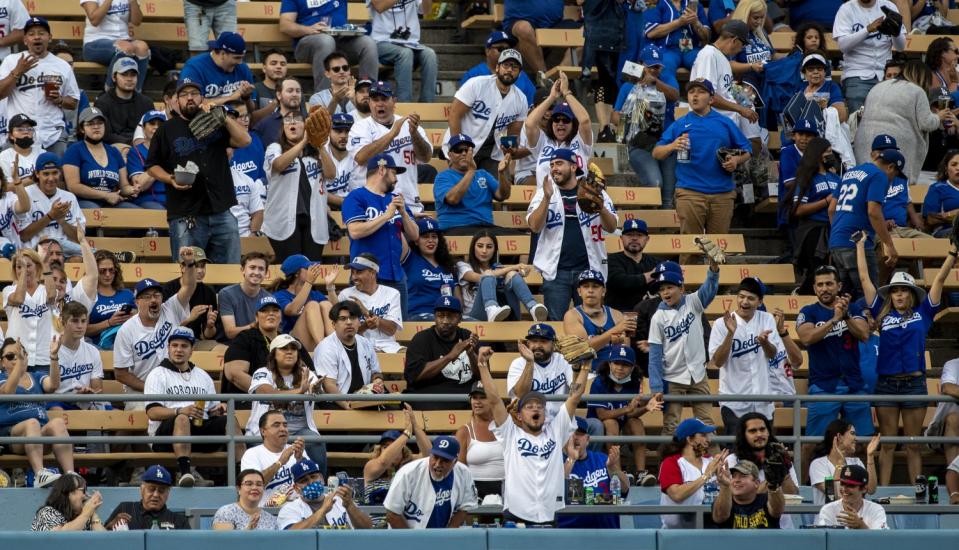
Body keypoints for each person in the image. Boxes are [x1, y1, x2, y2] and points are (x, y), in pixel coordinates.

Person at [855, 233, 954, 485]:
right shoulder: (881, 312)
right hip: (887, 384)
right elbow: (864, 278)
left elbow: (940, 279)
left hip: (914, 384)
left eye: (904, 291)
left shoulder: (925, 312)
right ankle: (884, 494)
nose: (899, 295)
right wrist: (859, 245)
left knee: (912, 444)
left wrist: (953, 253)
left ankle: (918, 495)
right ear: (891, 295)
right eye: (895, 291)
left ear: (911, 294)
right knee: (887, 444)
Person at [477, 341, 590, 525]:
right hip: (517, 516)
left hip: (550, 515)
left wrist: (585, 367)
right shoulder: (510, 433)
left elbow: (574, 397)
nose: (535, 408)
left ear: (545, 413)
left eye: (540, 406)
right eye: (529, 406)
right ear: (519, 415)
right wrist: (482, 365)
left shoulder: (556, 430)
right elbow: (495, 400)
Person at [145, 80, 252, 264]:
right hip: (186, 213)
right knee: (187, 272)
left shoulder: (215, 122)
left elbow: (245, 140)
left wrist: (223, 116)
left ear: (202, 98)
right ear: (176, 101)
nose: (189, 98)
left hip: (221, 210)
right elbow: (152, 166)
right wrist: (170, 179)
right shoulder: (166, 130)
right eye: (184, 95)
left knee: (229, 272)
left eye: (194, 93)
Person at [144, 327, 243, 487]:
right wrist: (179, 410)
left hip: (199, 428)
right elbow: (152, 412)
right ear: (168, 348)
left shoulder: (202, 375)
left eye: (184, 346)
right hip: (165, 435)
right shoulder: (157, 374)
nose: (178, 350)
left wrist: (218, 410)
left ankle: (243, 475)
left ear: (192, 350)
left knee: (230, 420)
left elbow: (212, 409)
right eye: (174, 345)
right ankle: (185, 473)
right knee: (182, 418)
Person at [653, 79, 751, 239]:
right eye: (691, 92)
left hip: (723, 194)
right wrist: (672, 146)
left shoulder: (725, 123)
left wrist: (735, 161)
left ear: (711, 99)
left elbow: (747, 150)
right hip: (690, 193)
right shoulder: (680, 124)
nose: (695, 96)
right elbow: (656, 152)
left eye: (701, 92)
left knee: (719, 250)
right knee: (690, 249)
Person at [527, 149, 617, 320]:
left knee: (589, 322)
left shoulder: (595, 190)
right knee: (557, 324)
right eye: (552, 165)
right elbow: (534, 226)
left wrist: (600, 205)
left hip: (589, 270)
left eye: (559, 163)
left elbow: (612, 227)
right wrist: (546, 198)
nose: (554, 168)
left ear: (574, 166)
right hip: (556, 272)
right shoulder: (543, 192)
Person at [647, 245, 721, 436]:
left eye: (670, 287)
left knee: (707, 422)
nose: (665, 292)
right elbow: (654, 356)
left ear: (681, 287)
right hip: (672, 377)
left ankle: (712, 462)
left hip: (698, 373)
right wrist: (656, 387)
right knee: (671, 425)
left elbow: (709, 289)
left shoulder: (693, 302)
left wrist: (713, 268)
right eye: (662, 289)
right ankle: (668, 464)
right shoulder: (658, 317)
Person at [796, 265, 875, 440]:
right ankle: (807, 469)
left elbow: (863, 334)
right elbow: (807, 338)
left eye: (829, 284)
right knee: (813, 443)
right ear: (815, 288)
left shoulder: (853, 308)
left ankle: (859, 468)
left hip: (854, 383)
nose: (824, 288)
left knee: (861, 441)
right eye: (820, 285)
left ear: (838, 286)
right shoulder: (808, 312)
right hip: (823, 385)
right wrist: (834, 319)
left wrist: (846, 316)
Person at [708, 277, 793, 434]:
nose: (744, 302)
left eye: (750, 298)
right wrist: (730, 334)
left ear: (760, 302)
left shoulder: (766, 319)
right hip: (734, 402)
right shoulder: (722, 323)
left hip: (763, 402)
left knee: (761, 453)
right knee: (736, 453)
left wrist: (764, 342)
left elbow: (773, 354)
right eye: (741, 296)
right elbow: (718, 362)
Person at [343, 152, 421, 319]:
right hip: (367, 275)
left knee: (399, 329)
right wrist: (386, 216)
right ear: (381, 170)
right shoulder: (356, 197)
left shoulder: (396, 199)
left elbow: (415, 235)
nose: (396, 179)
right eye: (393, 173)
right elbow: (355, 231)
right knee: (364, 327)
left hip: (396, 275)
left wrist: (404, 214)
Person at [113, 248, 196, 400]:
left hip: (176, 386)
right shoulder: (126, 330)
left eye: (157, 295)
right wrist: (151, 389)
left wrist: (189, 264)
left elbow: (188, 287)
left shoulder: (170, 309)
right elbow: (121, 373)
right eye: (147, 296)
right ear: (137, 302)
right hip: (141, 391)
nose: (153, 300)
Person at [854, 61, 950, 184]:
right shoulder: (916, 90)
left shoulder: (878, 86)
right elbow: (926, 123)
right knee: (895, 188)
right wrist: (939, 117)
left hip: (864, 142)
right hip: (895, 144)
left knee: (868, 183)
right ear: (921, 76)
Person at [827, 149, 903, 300]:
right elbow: (873, 212)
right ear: (891, 167)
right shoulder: (879, 175)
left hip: (836, 242)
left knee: (845, 299)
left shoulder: (850, 172)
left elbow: (831, 209)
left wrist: (839, 232)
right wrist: (889, 245)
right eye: (895, 174)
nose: (892, 179)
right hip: (857, 245)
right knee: (870, 298)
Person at [347, 81, 431, 217]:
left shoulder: (409, 125)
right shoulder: (360, 127)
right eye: (375, 99)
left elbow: (426, 157)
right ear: (369, 103)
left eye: (384, 99)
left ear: (394, 101)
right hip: (373, 206)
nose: (380, 103)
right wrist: (392, 133)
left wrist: (414, 134)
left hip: (408, 204)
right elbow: (361, 158)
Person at [0, 17, 81, 156]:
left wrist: (60, 99)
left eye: (42, 33)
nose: (37, 37)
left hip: (52, 136)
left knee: (55, 177)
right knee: (13, 177)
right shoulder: (12, 61)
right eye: (31, 34)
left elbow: (73, 102)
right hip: (19, 135)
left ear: (50, 37)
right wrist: (17, 71)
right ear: (25, 39)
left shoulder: (62, 66)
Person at [246, 334, 325, 474]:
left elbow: (315, 389)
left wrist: (316, 389)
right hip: (265, 431)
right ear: (273, 354)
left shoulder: (307, 373)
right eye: (284, 348)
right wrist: (299, 392)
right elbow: (265, 392)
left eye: (293, 349)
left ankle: (320, 485)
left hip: (299, 431)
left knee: (316, 441)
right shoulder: (262, 372)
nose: (289, 352)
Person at [262, 109, 334, 260]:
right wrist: (303, 142)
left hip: (314, 219)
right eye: (287, 120)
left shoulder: (317, 152)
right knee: (293, 271)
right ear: (283, 128)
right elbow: (278, 165)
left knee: (311, 271)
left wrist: (320, 146)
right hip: (283, 219)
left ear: (306, 126)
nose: (292, 123)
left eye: (298, 120)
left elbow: (331, 174)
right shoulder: (275, 148)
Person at [586, 345, 664, 484]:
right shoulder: (599, 382)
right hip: (602, 427)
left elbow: (631, 413)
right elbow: (602, 415)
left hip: (622, 422)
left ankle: (641, 473)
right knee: (612, 423)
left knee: (636, 423)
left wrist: (646, 407)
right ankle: (618, 473)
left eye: (626, 364)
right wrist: (628, 409)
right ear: (609, 363)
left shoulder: (634, 382)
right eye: (616, 363)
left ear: (633, 367)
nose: (620, 368)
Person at [0, 337, 71, 487]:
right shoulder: (1, 378)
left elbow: (53, 385)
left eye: (21, 353)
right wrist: (19, 364)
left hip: (39, 437)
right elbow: (8, 391)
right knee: (32, 423)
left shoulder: (37, 376)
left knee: (57, 423)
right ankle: (40, 474)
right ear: (2, 362)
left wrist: (53, 357)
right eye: (10, 356)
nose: (16, 359)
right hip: (13, 437)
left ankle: (71, 476)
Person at [615, 46, 680, 209]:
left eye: (657, 66)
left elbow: (675, 95)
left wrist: (655, 82)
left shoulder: (667, 78)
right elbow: (615, 116)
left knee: (668, 195)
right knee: (655, 183)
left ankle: (666, 232)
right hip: (640, 145)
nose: (654, 70)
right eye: (650, 66)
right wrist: (632, 116)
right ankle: (650, 224)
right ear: (640, 64)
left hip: (667, 143)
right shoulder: (628, 86)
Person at [444, 50, 526, 175]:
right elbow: (454, 115)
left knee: (500, 189)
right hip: (462, 145)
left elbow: (513, 135)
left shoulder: (521, 99)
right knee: (464, 189)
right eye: (506, 65)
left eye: (514, 67)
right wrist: (458, 149)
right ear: (497, 67)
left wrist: (510, 148)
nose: (510, 70)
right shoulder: (476, 84)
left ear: (519, 74)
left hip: (491, 154)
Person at [279, 0, 378, 93]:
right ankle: (324, 99)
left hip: (341, 41)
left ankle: (368, 95)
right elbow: (285, 25)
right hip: (308, 44)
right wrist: (309, 29)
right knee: (326, 41)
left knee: (368, 43)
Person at [383, 435, 478, 529]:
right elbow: (392, 514)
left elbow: (465, 507)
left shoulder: (464, 473)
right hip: (406, 537)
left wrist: (449, 533)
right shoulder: (408, 473)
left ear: (455, 461)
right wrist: (411, 541)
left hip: (442, 537)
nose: (437, 464)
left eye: (445, 460)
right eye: (435, 457)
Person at [786, 138, 841, 294]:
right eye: (828, 152)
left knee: (834, 270)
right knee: (818, 269)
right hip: (813, 229)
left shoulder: (836, 178)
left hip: (834, 228)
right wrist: (826, 201)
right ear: (817, 154)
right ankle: (801, 294)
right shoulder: (806, 178)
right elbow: (798, 210)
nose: (831, 155)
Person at [404, 296, 479, 409]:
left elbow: (482, 376)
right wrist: (450, 356)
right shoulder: (422, 339)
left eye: (450, 316)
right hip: (430, 396)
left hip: (464, 395)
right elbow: (414, 376)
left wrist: (471, 354)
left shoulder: (467, 336)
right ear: (434, 317)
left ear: (459, 319)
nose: (445, 321)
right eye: (441, 316)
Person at [433, 134, 514, 236]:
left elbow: (503, 195)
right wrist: (471, 171)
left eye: (467, 150)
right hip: (456, 228)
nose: (464, 153)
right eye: (458, 150)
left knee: (522, 239)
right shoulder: (443, 177)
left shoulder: (483, 174)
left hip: (486, 229)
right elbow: (453, 199)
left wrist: (502, 173)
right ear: (450, 155)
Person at [557, 417, 629, 529]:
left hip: (608, 532)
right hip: (573, 534)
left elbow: (624, 490)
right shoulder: (557, 462)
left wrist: (613, 468)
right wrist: (571, 459)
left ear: (587, 439)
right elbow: (577, 501)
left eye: (579, 434)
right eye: (570, 432)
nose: (575, 437)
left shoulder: (602, 459)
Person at [834, 0, 906, 113]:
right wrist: (867, 30)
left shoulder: (889, 6)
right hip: (857, 74)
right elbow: (843, 45)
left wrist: (896, 33)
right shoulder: (846, 9)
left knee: (886, 121)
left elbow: (901, 47)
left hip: (885, 74)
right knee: (857, 125)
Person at [456, 230, 544, 321]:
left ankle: (532, 307)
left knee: (512, 275)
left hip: (502, 315)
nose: (484, 250)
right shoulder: (462, 266)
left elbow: (512, 278)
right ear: (473, 248)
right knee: (488, 275)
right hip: (475, 317)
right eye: (480, 246)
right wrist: (515, 266)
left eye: (489, 247)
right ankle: (491, 308)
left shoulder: (498, 268)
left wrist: (521, 272)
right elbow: (480, 277)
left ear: (495, 250)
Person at [524, 74, 594, 188]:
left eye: (565, 120)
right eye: (556, 119)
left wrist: (566, 93)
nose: (560, 123)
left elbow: (585, 120)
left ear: (573, 124)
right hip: (547, 201)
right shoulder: (543, 141)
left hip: (574, 200)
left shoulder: (580, 142)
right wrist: (551, 97)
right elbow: (529, 124)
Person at [658, 418, 729, 529]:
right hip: (677, 534)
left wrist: (726, 483)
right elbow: (677, 495)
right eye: (703, 435)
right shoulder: (671, 463)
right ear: (689, 439)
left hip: (710, 527)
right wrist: (706, 475)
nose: (708, 440)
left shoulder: (711, 461)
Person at [689, 21, 760, 128]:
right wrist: (740, 109)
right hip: (712, 126)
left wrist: (741, 94)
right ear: (734, 40)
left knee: (755, 139)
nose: (742, 48)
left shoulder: (722, 57)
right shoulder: (709, 55)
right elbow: (707, 95)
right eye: (743, 44)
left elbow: (723, 89)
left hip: (725, 123)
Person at [63, 107, 137, 209]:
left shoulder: (114, 152)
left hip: (112, 201)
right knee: (97, 212)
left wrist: (133, 190)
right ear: (81, 129)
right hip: (84, 201)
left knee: (136, 212)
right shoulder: (74, 150)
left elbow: (124, 186)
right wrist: (105, 195)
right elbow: (73, 186)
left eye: (100, 123)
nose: (96, 127)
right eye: (90, 123)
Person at [315, 301, 384, 406]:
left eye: (352, 318)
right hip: (335, 402)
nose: (349, 322)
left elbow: (376, 372)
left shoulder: (365, 343)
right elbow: (329, 385)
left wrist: (377, 380)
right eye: (343, 319)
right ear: (334, 324)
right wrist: (349, 407)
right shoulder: (326, 347)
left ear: (359, 322)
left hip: (363, 398)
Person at [368, 0, 438, 103]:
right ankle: (404, 104)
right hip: (381, 42)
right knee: (405, 54)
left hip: (411, 43)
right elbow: (379, 6)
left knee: (430, 55)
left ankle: (428, 105)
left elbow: (426, 11)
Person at [17, 154, 85, 256]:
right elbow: (23, 236)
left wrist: (62, 221)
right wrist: (50, 216)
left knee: (77, 259)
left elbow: (78, 238)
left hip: (63, 252)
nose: (51, 178)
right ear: (37, 174)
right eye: (46, 174)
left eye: (55, 173)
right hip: (35, 252)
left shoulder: (69, 197)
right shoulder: (26, 195)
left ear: (60, 173)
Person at [363, 407, 433, 505]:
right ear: (379, 450)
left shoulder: (408, 467)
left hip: (402, 518)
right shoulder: (370, 466)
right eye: (385, 447)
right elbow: (384, 462)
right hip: (374, 519)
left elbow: (430, 456)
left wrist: (415, 426)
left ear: (403, 453)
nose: (389, 451)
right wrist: (407, 433)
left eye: (394, 447)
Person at [278, 459, 374, 529]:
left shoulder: (341, 500)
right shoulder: (290, 509)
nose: (311, 482)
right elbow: (289, 536)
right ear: (296, 488)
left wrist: (350, 506)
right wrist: (323, 510)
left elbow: (368, 528)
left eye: (313, 477)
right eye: (304, 480)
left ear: (322, 479)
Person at [506, 324, 573, 423]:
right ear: (528, 343)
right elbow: (520, 394)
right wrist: (529, 362)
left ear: (553, 344)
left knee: (593, 425)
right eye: (534, 341)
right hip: (528, 423)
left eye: (543, 341)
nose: (537, 346)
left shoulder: (563, 360)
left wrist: (580, 367)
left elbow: (577, 390)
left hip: (559, 421)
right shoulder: (518, 363)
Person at [336, 254, 404, 353]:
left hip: (388, 346)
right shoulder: (346, 294)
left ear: (372, 272)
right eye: (352, 273)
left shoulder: (392, 293)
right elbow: (344, 332)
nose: (354, 277)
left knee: (409, 357)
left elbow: (391, 330)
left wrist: (367, 313)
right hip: (358, 346)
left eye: (359, 272)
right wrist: (365, 326)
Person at [4, 249, 57, 373]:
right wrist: (24, 272)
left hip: (43, 359)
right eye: (19, 266)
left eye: (28, 266)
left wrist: (46, 265)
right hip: (15, 358)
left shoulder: (45, 290)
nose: (24, 269)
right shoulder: (9, 290)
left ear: (37, 267)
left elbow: (51, 297)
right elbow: (19, 299)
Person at [240, 409, 308, 507]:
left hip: (297, 510)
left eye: (285, 425)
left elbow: (311, 481)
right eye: (276, 425)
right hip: (267, 511)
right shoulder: (252, 454)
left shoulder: (298, 450)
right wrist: (280, 462)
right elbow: (253, 485)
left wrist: (300, 460)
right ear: (263, 431)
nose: (283, 429)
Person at [726, 412, 800, 499]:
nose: (759, 434)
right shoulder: (732, 460)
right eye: (753, 431)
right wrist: (771, 478)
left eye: (762, 429)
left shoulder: (780, 457)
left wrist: (783, 471)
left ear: (768, 432)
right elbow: (744, 498)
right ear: (743, 435)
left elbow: (793, 495)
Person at [81, 0, 149, 92]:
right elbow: (94, 20)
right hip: (95, 43)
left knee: (142, 47)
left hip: (124, 41)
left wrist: (133, 1)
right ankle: (109, 92)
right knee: (126, 48)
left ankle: (136, 93)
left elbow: (136, 22)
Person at [49, 302, 105, 410]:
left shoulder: (93, 351)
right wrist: (74, 396)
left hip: (86, 403)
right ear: (63, 322)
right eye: (75, 321)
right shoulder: (51, 349)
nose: (80, 326)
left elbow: (98, 390)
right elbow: (48, 390)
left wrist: (88, 392)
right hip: (58, 403)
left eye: (83, 321)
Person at [809, 419, 879, 505]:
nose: (856, 439)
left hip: (855, 516)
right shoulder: (818, 464)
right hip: (828, 517)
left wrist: (870, 456)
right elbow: (832, 493)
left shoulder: (856, 462)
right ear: (839, 436)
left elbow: (871, 489)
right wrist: (839, 463)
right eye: (852, 433)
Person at [179, 32, 256, 111]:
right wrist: (231, 98)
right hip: (207, 120)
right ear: (222, 54)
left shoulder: (243, 68)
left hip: (238, 120)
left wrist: (246, 97)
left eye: (242, 57)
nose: (240, 62)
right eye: (236, 58)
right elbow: (193, 105)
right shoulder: (194, 67)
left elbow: (252, 110)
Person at [454, 381, 505, 499]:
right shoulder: (464, 431)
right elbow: (460, 470)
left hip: (507, 488)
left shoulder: (505, 426)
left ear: (492, 400)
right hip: (476, 491)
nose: (477, 402)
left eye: (483, 398)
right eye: (474, 398)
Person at [272, 256, 336, 350]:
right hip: (293, 342)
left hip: (316, 341)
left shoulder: (314, 293)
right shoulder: (280, 295)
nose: (312, 271)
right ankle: (324, 349)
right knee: (312, 305)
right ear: (297, 273)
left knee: (325, 304)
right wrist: (309, 283)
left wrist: (330, 287)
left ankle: (335, 347)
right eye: (307, 268)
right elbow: (292, 310)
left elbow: (337, 312)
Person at [644, 0, 710, 91]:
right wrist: (679, 22)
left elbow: (707, 36)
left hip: (691, 49)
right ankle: (671, 101)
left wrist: (696, 22)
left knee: (704, 62)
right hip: (667, 49)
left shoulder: (695, 3)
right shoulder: (657, 3)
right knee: (664, 65)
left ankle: (704, 99)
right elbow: (651, 32)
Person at [402, 217, 459, 321]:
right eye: (425, 236)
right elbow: (397, 231)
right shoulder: (409, 259)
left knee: (473, 323)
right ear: (416, 241)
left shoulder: (448, 264)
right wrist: (409, 217)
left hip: (447, 316)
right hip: (417, 314)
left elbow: (458, 300)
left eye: (434, 236)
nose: (431, 240)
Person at [459, 31, 536, 107]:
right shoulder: (472, 76)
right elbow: (461, 107)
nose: (505, 53)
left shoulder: (520, 75)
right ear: (487, 51)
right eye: (501, 49)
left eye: (508, 49)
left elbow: (532, 104)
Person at [564, 270, 634, 352]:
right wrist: (615, 331)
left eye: (595, 286)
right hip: (589, 364)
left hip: (614, 364)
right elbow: (582, 350)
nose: (590, 290)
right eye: (586, 286)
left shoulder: (616, 314)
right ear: (579, 291)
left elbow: (625, 350)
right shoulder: (572, 315)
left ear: (604, 291)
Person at [103, 465, 191, 530]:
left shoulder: (179, 521)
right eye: (151, 489)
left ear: (168, 494)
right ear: (142, 490)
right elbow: (102, 540)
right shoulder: (125, 508)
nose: (156, 494)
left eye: (161, 491)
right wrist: (110, 526)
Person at [161, 247, 219, 343]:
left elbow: (208, 336)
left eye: (203, 266)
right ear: (183, 267)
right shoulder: (168, 289)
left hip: (195, 341)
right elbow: (161, 330)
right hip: (169, 342)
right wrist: (189, 319)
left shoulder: (209, 292)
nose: (200, 270)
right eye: (196, 266)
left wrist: (210, 326)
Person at [93, 56, 154, 147]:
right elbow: (105, 135)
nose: (129, 79)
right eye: (124, 74)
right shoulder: (102, 103)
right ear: (114, 77)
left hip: (141, 148)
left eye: (133, 75)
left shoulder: (146, 103)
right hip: (112, 149)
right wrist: (131, 143)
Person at [708, 459, 784, 529]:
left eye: (743, 476)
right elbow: (720, 517)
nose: (736, 480)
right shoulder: (725, 501)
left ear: (756, 483)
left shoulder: (766, 500)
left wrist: (774, 483)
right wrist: (725, 486)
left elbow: (777, 510)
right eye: (734, 476)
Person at [606, 219, 663, 313]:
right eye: (629, 235)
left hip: (648, 317)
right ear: (621, 238)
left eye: (639, 235)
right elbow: (619, 281)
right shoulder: (611, 260)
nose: (634, 238)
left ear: (647, 239)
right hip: (618, 315)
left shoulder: (655, 262)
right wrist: (651, 275)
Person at [84, 250, 135, 349]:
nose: (107, 275)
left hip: (129, 341)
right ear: (94, 271)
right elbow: (83, 330)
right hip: (99, 346)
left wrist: (133, 316)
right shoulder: (88, 296)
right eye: (102, 271)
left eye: (111, 270)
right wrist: (109, 322)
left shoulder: (127, 294)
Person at [218, 252, 272, 342]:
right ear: (242, 270)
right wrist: (254, 326)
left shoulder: (269, 298)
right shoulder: (226, 294)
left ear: (266, 273)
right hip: (232, 344)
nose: (256, 272)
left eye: (261, 269)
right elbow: (230, 333)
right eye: (252, 267)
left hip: (259, 343)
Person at [815, 464, 888, 529]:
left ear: (864, 489)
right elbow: (825, 541)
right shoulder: (828, 510)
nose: (844, 489)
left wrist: (861, 526)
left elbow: (880, 540)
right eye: (842, 483)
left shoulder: (876, 510)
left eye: (850, 485)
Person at [31, 473, 106, 531]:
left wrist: (93, 514)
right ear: (68, 493)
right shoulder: (46, 513)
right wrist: (86, 513)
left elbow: (104, 542)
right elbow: (60, 538)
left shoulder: (84, 516)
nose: (86, 495)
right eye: (83, 490)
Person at [126, 110, 167, 209]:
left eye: (160, 124)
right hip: (148, 199)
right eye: (152, 124)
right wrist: (158, 162)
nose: (156, 127)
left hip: (173, 199)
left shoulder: (173, 150)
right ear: (143, 129)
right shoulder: (135, 151)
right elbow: (139, 185)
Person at [212, 469, 279, 530]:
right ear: (238, 489)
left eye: (259, 484)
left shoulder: (271, 519)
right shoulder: (226, 512)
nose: (254, 487)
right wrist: (248, 531)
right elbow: (223, 541)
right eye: (249, 484)